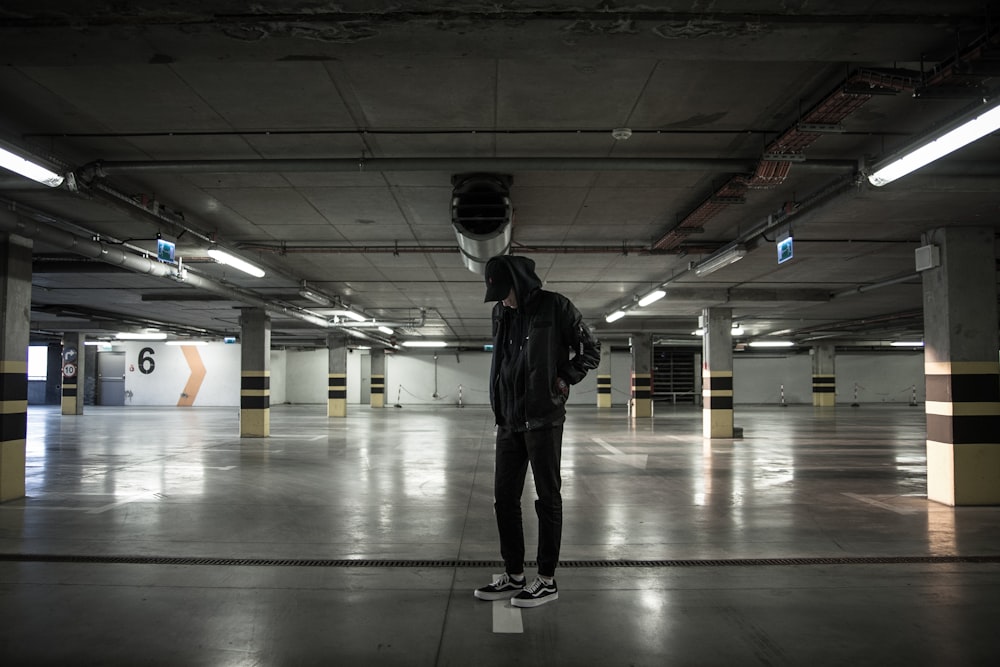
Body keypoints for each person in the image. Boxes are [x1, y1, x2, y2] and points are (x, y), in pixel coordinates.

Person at [474, 254, 601, 608]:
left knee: (548, 500)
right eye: (497, 294)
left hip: (544, 419)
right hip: (509, 421)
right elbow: (504, 360)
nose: (502, 299)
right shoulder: (501, 312)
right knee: (504, 500)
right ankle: (514, 574)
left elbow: (591, 350)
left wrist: (564, 378)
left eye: (505, 292)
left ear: (520, 283)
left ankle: (546, 579)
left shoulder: (556, 307)